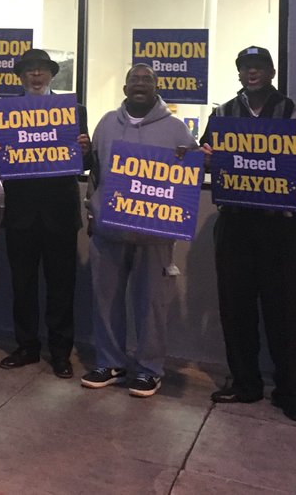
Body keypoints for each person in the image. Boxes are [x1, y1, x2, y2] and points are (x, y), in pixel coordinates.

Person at [201, 46, 296, 423]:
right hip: (236, 225)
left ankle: (289, 393)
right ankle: (245, 384)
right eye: (246, 67)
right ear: (239, 73)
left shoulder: (295, 113)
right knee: (235, 308)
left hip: (281, 228)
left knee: (287, 312)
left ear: (272, 72)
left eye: (259, 66)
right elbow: (204, 161)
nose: (252, 72)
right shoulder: (223, 114)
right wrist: (205, 159)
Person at [83, 63, 195, 397]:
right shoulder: (106, 123)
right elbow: (95, 173)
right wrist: (92, 211)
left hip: (154, 235)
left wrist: (200, 160)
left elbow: (188, 178)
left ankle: (150, 369)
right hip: (108, 231)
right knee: (105, 301)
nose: (140, 84)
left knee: (152, 305)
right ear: (125, 88)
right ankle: (110, 363)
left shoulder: (176, 129)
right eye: (134, 79)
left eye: (147, 79)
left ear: (157, 87)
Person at [0, 48, 89, 379]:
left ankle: (61, 353)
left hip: (60, 212)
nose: (35, 75)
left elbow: (85, 163)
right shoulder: (5, 113)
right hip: (20, 213)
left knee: (62, 286)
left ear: (51, 75)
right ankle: (26, 346)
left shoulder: (74, 111)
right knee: (23, 285)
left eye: (41, 69)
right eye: (29, 70)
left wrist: (85, 150)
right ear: (20, 76)